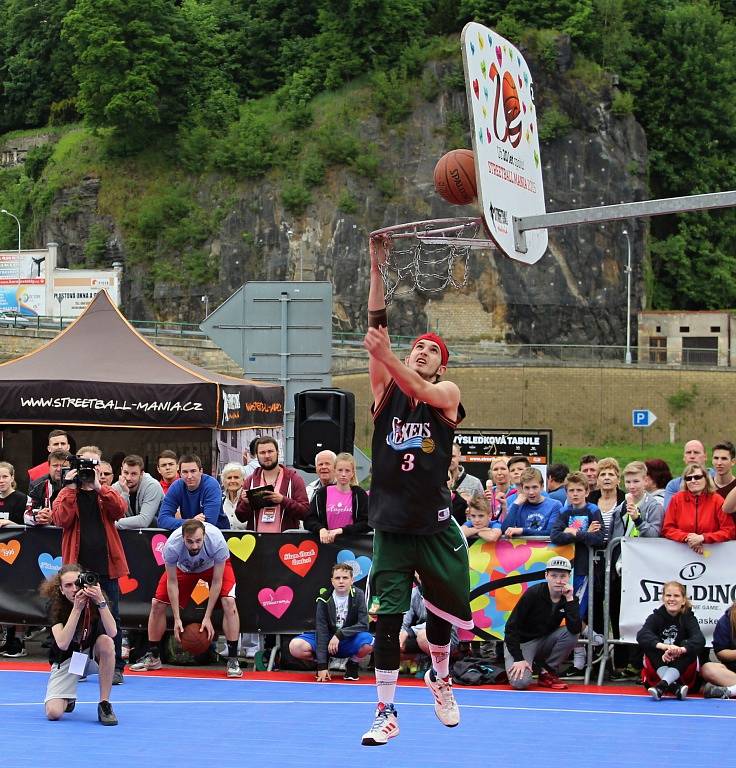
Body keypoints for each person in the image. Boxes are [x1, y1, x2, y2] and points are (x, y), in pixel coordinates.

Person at [359, 234, 472, 747]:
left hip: (434, 524)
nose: (421, 352)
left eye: (431, 350)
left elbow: (420, 389)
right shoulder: (384, 394)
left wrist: (390, 355)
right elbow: (376, 331)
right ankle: (386, 711)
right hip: (391, 525)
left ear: (441, 363)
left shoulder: (445, 394)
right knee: (386, 617)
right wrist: (377, 270)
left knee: (445, 616)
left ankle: (440, 677)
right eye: (416, 347)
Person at [130, 519, 242, 678]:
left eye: (198, 541)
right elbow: (172, 582)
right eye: (189, 542)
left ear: (204, 535)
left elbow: (217, 581)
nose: (195, 546)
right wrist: (176, 618)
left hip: (211, 568)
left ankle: (232, 659)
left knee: (229, 601)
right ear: (182, 538)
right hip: (184, 569)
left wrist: (207, 616)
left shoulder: (217, 540)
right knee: (157, 604)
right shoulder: (171, 546)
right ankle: (154, 656)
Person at [40, 563, 118, 725]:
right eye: (67, 585)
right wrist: (77, 609)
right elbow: (62, 643)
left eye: (77, 583)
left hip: (90, 656)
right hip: (67, 659)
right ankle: (67, 698)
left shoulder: (97, 598)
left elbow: (113, 632)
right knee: (54, 713)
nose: (74, 588)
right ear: (61, 589)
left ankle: (104, 704)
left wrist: (101, 602)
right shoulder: (54, 606)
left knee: (107, 642)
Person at [607, 461, 664, 678]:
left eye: (637, 481)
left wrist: (638, 519)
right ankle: (620, 663)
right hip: (622, 568)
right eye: (629, 482)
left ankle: (638, 661)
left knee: (642, 615)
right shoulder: (621, 505)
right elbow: (615, 536)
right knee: (618, 614)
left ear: (645, 480)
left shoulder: (653, 506)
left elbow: (655, 535)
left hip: (644, 570)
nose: (632, 486)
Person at [550, 472, 604, 677]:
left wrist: (576, 534)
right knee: (567, 612)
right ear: (566, 492)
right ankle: (587, 642)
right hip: (566, 569)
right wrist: (582, 534)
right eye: (571, 490)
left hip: (584, 568)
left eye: (579, 490)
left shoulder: (593, 510)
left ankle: (584, 654)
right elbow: (555, 535)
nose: (575, 494)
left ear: (587, 491)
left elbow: (598, 537)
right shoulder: (564, 512)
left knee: (577, 611)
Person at [504, 556, 581, 690]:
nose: (558, 580)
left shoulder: (570, 597)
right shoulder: (533, 593)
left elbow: (575, 629)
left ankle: (546, 671)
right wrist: (518, 658)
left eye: (563, 576)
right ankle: (521, 663)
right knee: (520, 683)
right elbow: (511, 627)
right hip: (523, 643)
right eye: (554, 575)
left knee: (570, 633)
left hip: (544, 641)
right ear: (546, 575)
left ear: (569, 576)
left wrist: (569, 599)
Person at [289, 563, 373, 681]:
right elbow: (322, 631)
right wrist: (322, 665)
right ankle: (323, 660)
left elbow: (364, 624)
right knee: (295, 647)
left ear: (352, 580)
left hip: (347, 638)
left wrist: (340, 635)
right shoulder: (324, 599)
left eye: (345, 578)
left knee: (369, 643)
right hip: (327, 639)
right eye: (337, 578)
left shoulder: (358, 595)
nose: (341, 581)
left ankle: (352, 664)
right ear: (332, 581)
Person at [636, 580, 705, 700]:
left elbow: (699, 639)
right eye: (668, 595)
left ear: (683, 600)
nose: (672, 599)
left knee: (690, 648)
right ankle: (672, 687)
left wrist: (681, 649)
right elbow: (641, 635)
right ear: (663, 598)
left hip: (683, 671)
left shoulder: (689, 618)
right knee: (650, 646)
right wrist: (665, 647)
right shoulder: (655, 617)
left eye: (676, 596)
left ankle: (662, 686)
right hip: (661, 663)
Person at [235, 437, 309, 532]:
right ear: (257, 455)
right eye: (262, 452)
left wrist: (283, 500)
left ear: (278, 452)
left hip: (286, 543)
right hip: (258, 542)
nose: (267, 455)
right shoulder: (250, 481)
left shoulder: (293, 479)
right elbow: (240, 517)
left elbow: (305, 512)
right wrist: (247, 504)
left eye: (270, 451)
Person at [662, 463, 735, 552]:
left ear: (706, 478)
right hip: (681, 553)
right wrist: (688, 538)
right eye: (688, 478)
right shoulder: (676, 499)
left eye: (697, 477)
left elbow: (729, 530)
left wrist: (703, 537)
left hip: (712, 554)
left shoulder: (717, 500)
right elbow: (667, 528)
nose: (693, 480)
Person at [304, 452, 370, 543]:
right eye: (340, 470)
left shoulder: (359, 494)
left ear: (352, 473)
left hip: (353, 547)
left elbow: (367, 523)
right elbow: (309, 520)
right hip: (327, 546)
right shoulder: (322, 493)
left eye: (347, 471)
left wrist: (342, 530)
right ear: (334, 471)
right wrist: (320, 529)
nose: (343, 474)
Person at [158, 454, 229, 530]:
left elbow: (209, 523)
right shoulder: (176, 486)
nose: (189, 476)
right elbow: (162, 520)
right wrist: (190, 522)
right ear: (180, 473)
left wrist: (188, 523)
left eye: (193, 471)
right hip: (188, 533)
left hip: (218, 533)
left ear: (201, 471)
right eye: (185, 472)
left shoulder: (211, 485)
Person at [501, 468, 562, 538]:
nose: (531, 492)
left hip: (546, 548)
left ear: (542, 487)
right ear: (522, 488)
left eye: (535, 487)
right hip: (522, 548)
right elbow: (505, 531)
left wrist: (522, 531)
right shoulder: (518, 505)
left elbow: (551, 532)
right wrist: (515, 505)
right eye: (527, 488)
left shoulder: (555, 505)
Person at [112, 454, 164, 529]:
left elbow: (144, 521)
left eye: (133, 474)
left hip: (158, 534)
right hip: (131, 534)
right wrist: (125, 493)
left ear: (142, 474)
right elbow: (113, 515)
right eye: (126, 472)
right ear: (121, 470)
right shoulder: (116, 487)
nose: (128, 478)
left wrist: (115, 524)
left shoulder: (152, 485)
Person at [701, 602, 736, 698]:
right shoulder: (726, 620)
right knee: (708, 668)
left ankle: (730, 691)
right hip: (732, 673)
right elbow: (720, 652)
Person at [25, 449, 70, 523]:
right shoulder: (37, 485)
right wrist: (37, 517)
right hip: (46, 532)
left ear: (70, 467)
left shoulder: (78, 485)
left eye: (63, 466)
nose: (59, 469)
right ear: (49, 466)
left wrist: (53, 518)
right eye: (55, 465)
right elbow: (26, 516)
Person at [663, 440, 708, 510]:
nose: (692, 456)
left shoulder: (715, 478)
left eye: (696, 452)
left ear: (705, 457)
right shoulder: (673, 485)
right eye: (688, 452)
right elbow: (669, 512)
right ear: (684, 457)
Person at [587, 457, 625, 540]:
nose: (606, 478)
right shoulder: (588, 500)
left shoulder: (625, 500)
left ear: (618, 480)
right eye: (603, 474)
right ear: (597, 480)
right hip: (592, 549)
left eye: (611, 474)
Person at [220, 462, 249, 529]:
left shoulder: (248, 501)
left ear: (243, 481)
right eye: (229, 478)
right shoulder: (220, 502)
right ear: (224, 482)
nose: (232, 481)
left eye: (236, 477)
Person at [0, 461, 28, 527]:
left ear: (12, 478)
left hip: (14, 537)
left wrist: (9, 523)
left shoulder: (22, 499)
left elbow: (26, 528)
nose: (1, 480)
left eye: (5, 476)